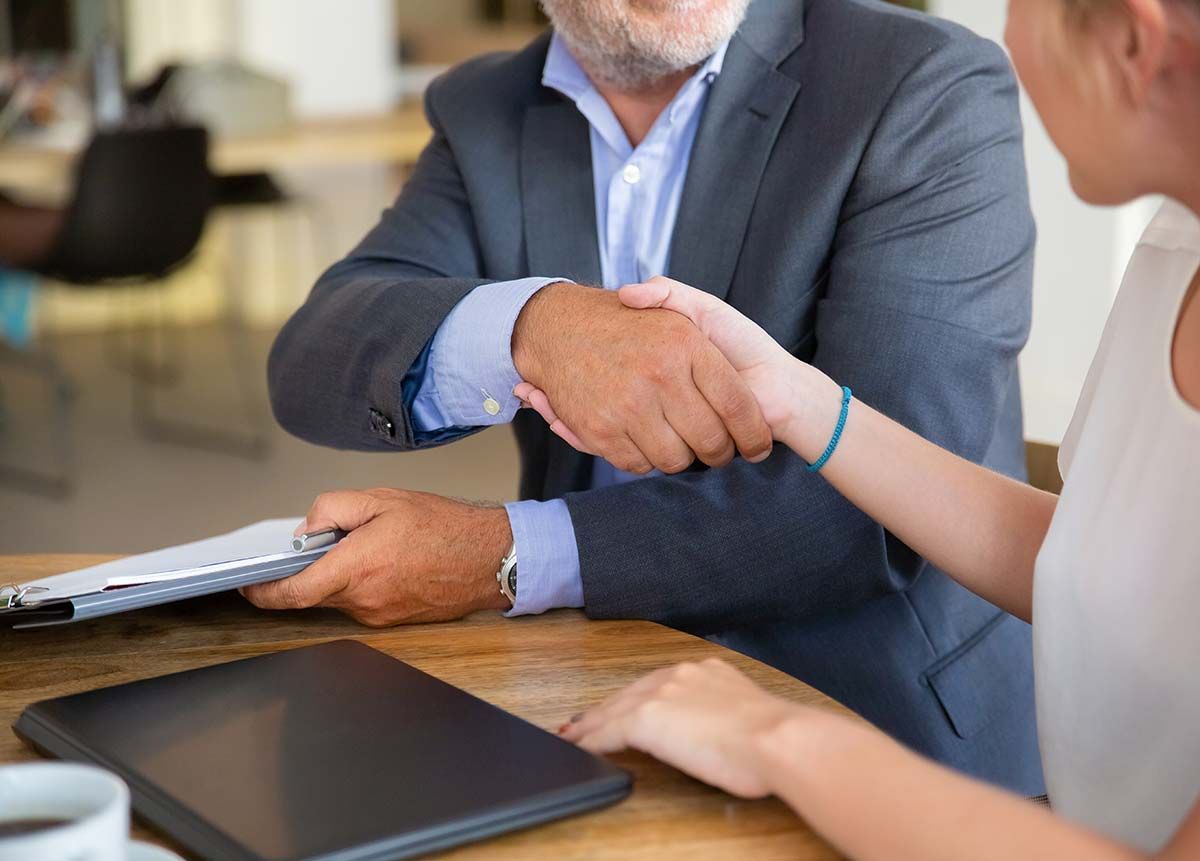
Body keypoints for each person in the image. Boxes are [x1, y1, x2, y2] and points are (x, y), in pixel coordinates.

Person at [260, 0, 1045, 793]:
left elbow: (871, 512)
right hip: (585, 697)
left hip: (881, 728)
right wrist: (532, 325)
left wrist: (502, 553)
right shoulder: (485, 107)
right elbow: (312, 356)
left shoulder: (923, 86)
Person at [540, 0, 1200, 855]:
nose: (1006, 37)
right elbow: (1109, 563)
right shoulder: (1174, 252)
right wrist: (801, 402)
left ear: (1135, 42)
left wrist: (777, 736)